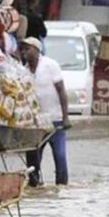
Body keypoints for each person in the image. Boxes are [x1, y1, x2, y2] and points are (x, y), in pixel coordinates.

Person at [21, 37, 71, 187]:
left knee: (60, 155)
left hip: (55, 119)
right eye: (22, 49)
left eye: (27, 49)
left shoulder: (50, 65)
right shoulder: (23, 71)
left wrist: (66, 117)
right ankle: (35, 184)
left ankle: (62, 186)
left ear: (37, 50)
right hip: (35, 121)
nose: (24, 52)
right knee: (33, 156)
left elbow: (61, 91)